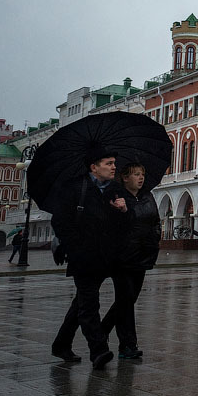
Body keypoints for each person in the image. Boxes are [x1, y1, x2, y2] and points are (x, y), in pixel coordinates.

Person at [49, 147, 128, 369]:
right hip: (83, 257)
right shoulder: (75, 187)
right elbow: (59, 222)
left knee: (81, 303)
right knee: (89, 304)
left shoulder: (114, 189)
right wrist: (76, 245)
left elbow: (119, 227)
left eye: (114, 162)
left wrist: (122, 212)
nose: (114, 167)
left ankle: (61, 344)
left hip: (105, 257)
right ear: (94, 167)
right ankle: (98, 350)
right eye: (108, 163)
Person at [101, 162, 160, 360]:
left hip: (143, 255)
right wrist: (122, 212)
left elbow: (155, 222)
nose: (140, 178)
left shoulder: (147, 196)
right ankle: (127, 345)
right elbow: (111, 227)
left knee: (128, 300)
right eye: (136, 174)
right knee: (126, 301)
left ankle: (102, 330)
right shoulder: (116, 197)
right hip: (122, 257)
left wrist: (154, 239)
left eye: (142, 174)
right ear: (125, 178)